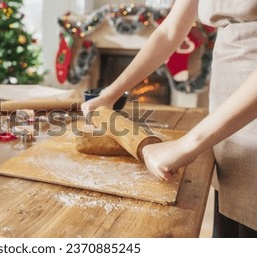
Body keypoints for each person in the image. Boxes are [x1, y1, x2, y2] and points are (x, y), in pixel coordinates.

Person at [82, 0, 257, 237]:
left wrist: (186, 145)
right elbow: (168, 32)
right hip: (226, 129)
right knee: (231, 226)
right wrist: (110, 93)